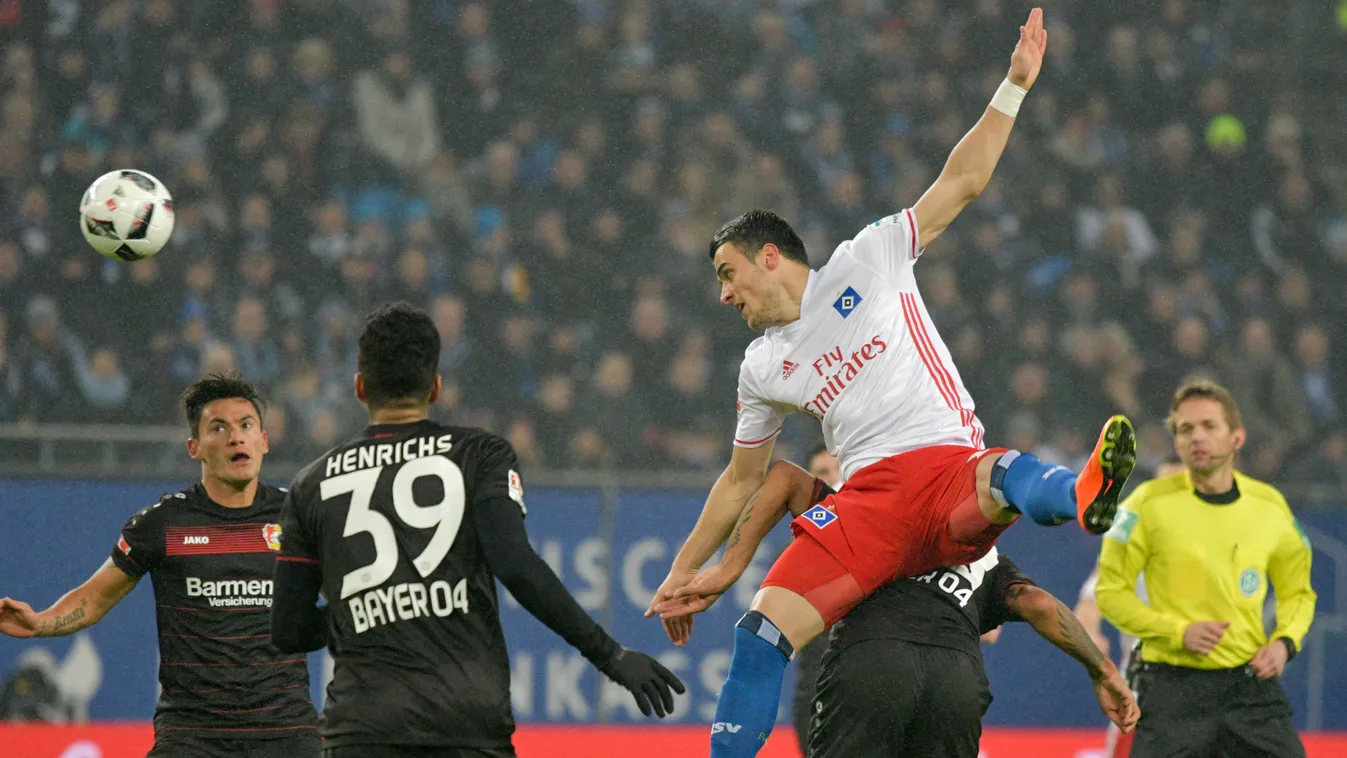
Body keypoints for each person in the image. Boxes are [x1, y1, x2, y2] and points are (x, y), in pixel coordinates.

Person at [648, 11, 1137, 756]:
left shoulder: (867, 258)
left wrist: (1011, 88)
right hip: (868, 503)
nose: (724, 295)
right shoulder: (761, 367)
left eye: (727, 273)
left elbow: (963, 183)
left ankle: (1080, 496)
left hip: (942, 467)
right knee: (759, 635)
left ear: (769, 255)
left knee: (998, 470)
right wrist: (686, 570)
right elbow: (740, 478)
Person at [269, 302, 685, 758]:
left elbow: (289, 629)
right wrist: (611, 656)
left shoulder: (312, 483)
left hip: (364, 725)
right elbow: (515, 565)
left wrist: (367, 604)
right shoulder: (479, 454)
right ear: (436, 387)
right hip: (466, 720)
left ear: (359, 387)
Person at [698, 458, 1139, 757]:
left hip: (872, 666)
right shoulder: (980, 551)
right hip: (956, 680)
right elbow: (1036, 602)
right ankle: (1064, 491)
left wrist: (720, 568)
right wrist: (1103, 669)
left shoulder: (860, 514)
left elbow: (784, 479)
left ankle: (1066, 491)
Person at [0, 374, 319, 758]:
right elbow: (95, 598)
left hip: (286, 732)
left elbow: (346, 591)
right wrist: (40, 623)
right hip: (193, 735)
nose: (236, 437)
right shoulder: (162, 523)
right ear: (194, 447)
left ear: (263, 441)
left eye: (246, 426)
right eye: (219, 428)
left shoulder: (299, 517)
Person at [1096, 379, 1316, 757]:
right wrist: (1178, 632)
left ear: (1237, 438)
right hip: (1171, 689)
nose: (1197, 437)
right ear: (1177, 443)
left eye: (1209, 426)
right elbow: (1110, 593)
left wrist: (1284, 642)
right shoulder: (1143, 505)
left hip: (1249, 688)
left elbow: (1298, 592)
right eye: (1185, 429)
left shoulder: (1270, 507)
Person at [1075, 458, 1186, 758]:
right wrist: (1090, 637)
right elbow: (1089, 603)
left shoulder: (1221, 538)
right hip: (1143, 687)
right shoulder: (1129, 539)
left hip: (1209, 686)